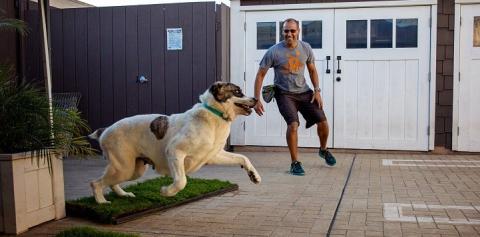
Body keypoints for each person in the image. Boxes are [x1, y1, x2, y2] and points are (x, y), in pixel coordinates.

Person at [253, 18, 336, 176]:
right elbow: (260, 75)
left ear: (298, 31)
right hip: (284, 94)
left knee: (323, 122)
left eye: (292, 30)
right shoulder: (274, 51)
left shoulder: (306, 48)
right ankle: (295, 163)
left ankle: (323, 150)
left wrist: (317, 91)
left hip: (304, 92)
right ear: (282, 32)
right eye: (286, 31)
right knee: (293, 125)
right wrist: (256, 99)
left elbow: (312, 70)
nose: (289, 33)